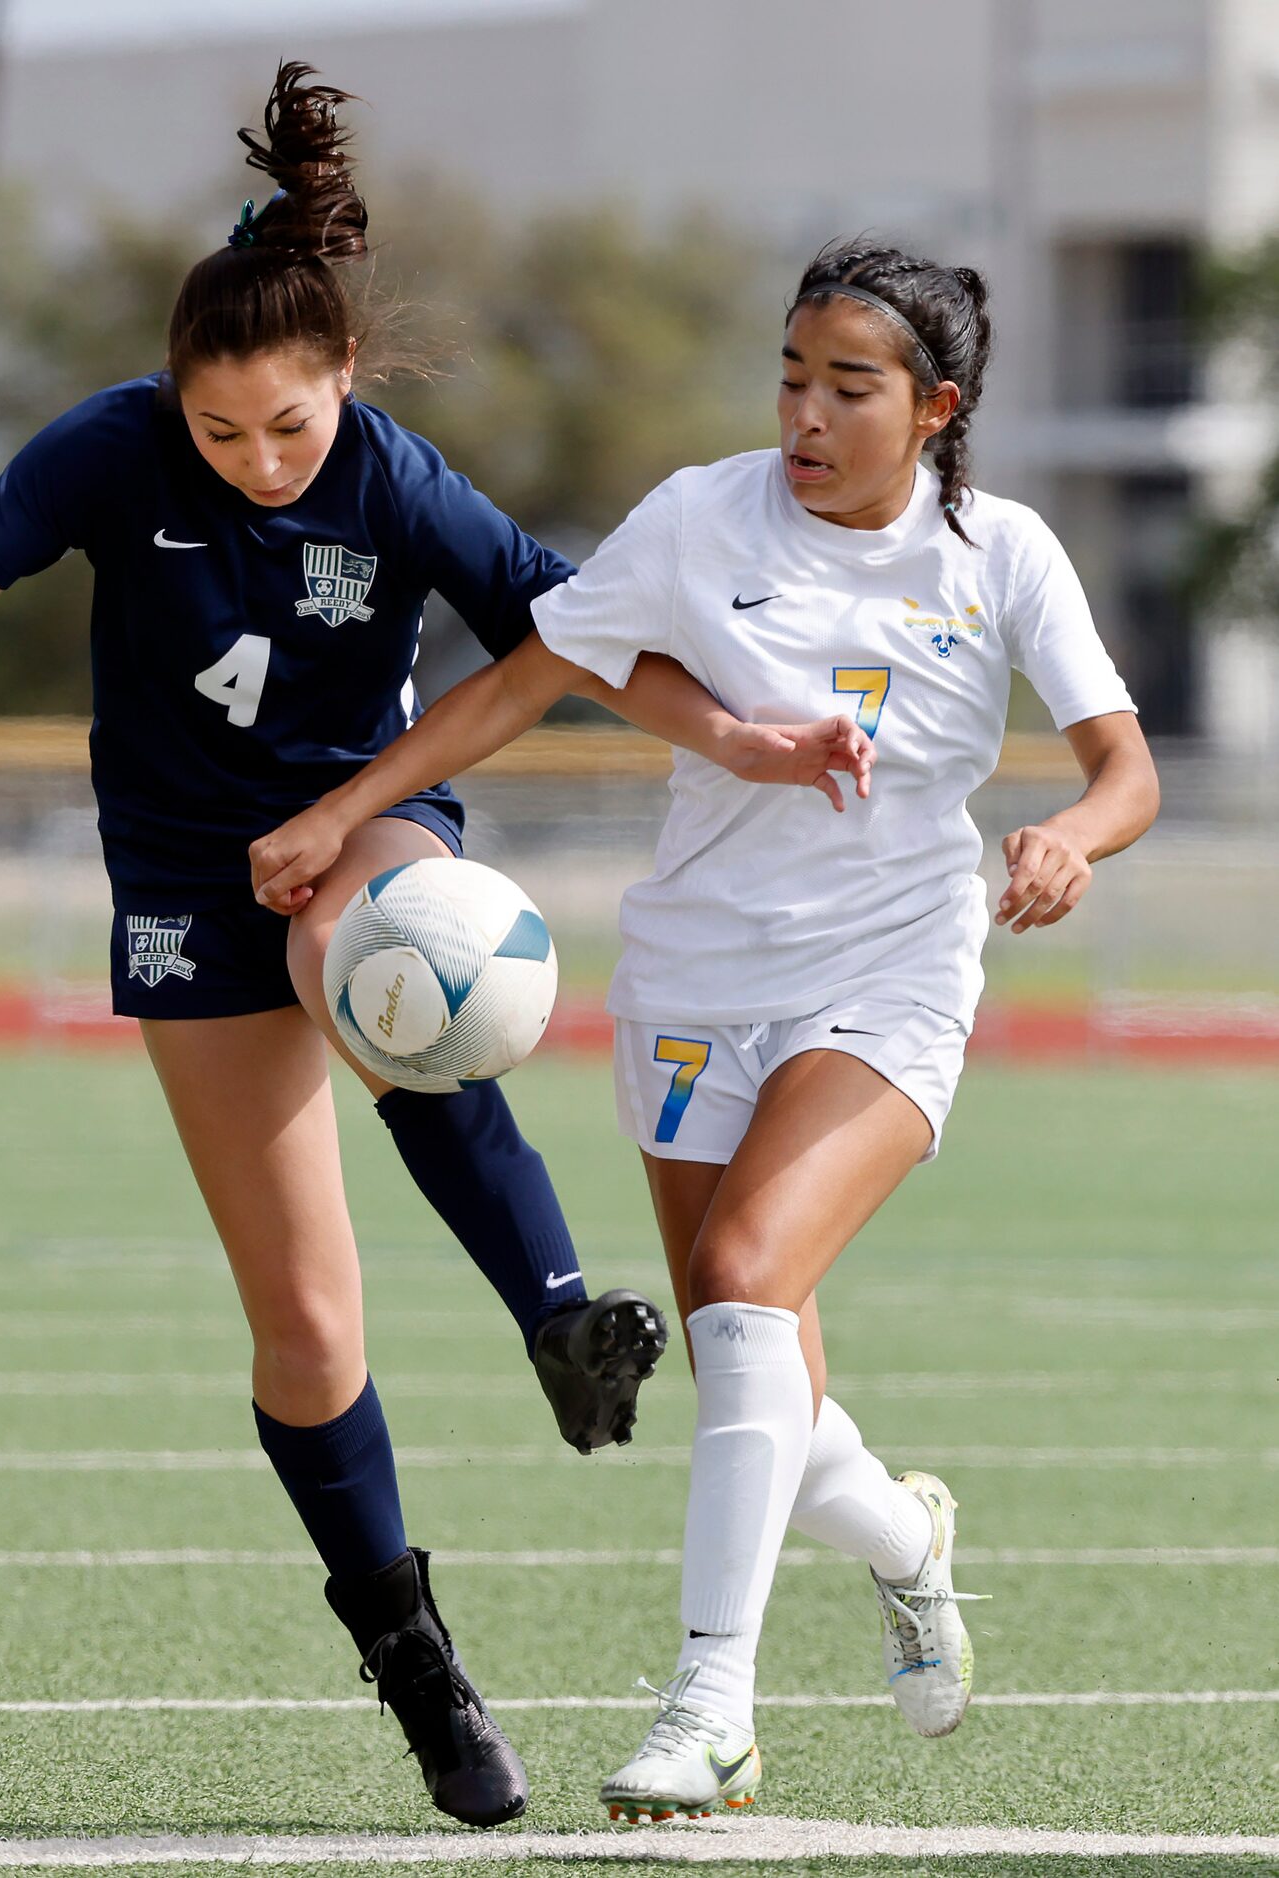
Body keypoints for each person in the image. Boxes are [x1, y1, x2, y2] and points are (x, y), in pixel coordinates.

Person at [0, 61, 863, 1829]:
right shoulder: (105, 450)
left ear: (342, 377)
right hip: (182, 878)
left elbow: (578, 637)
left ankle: (557, 1308)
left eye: (288, 426)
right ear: (172, 403)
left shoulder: (398, 478)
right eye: (223, 435)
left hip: (370, 830)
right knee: (302, 1327)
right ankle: (417, 1661)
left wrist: (744, 736)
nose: (261, 461)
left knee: (381, 951)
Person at [250, 238, 1162, 1822]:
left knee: (741, 1290)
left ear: (935, 408)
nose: (806, 412)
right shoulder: (696, 514)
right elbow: (526, 679)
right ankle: (902, 1536)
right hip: (692, 983)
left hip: (887, 977)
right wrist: (342, 811)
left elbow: (1123, 765)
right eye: (792, 376)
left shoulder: (1000, 553)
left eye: (849, 387)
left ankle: (710, 1709)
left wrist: (1073, 836)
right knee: (757, 1373)